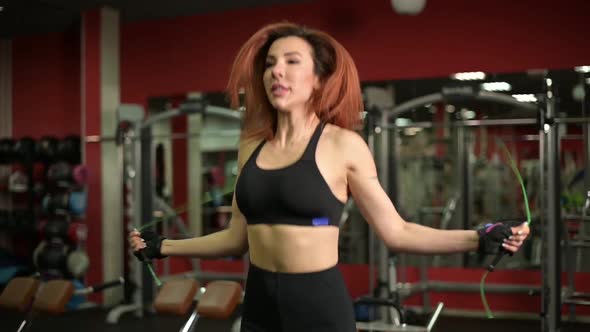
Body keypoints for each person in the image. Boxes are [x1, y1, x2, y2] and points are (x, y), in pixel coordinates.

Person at [129, 22, 530, 332]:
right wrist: (164, 246)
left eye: (291, 62)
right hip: (259, 305)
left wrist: (478, 238)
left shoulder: (344, 145)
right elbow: (237, 237)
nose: (276, 72)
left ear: (319, 79)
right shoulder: (251, 145)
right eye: (269, 64)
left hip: (318, 305)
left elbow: (398, 232)